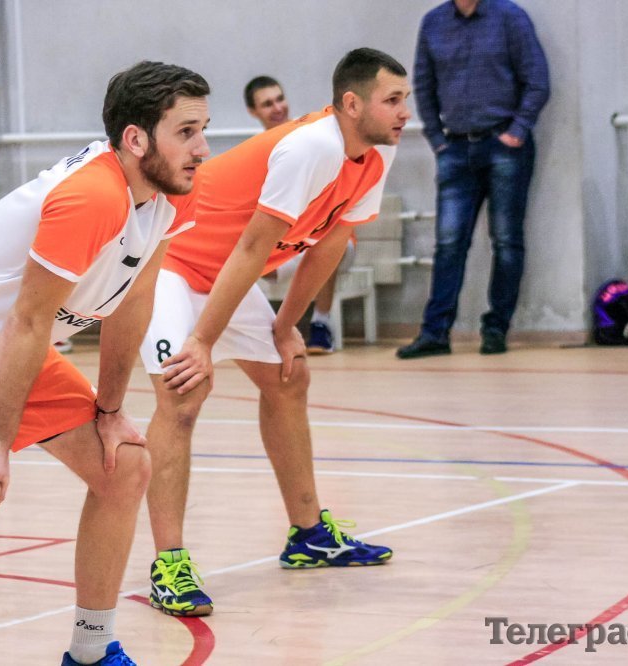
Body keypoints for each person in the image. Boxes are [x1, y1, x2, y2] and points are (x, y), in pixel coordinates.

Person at [0, 61, 210, 666]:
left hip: (9, 348)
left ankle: (90, 652)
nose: (202, 149)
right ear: (136, 139)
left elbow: (134, 303)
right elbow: (28, 322)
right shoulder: (92, 196)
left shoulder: (168, 199)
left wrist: (110, 411)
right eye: (186, 133)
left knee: (125, 466)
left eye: (202, 130)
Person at [139, 48, 408, 618]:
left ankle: (308, 535)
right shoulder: (311, 147)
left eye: (404, 100)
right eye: (392, 100)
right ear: (353, 104)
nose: (404, 112)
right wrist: (201, 341)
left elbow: (330, 244)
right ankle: (169, 565)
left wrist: (287, 327)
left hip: (225, 275)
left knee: (289, 376)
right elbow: (253, 247)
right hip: (169, 264)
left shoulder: (376, 155)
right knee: (183, 393)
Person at [397, 0, 550, 359]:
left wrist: (517, 131)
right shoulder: (433, 23)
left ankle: (496, 329)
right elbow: (423, 85)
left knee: (506, 240)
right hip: (455, 149)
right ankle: (435, 333)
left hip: (504, 146)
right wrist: (437, 140)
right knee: (449, 243)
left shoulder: (510, 17)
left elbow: (537, 81)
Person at [244, 75, 356, 354]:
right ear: (253, 111)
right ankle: (253, 332)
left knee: (323, 241)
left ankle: (321, 324)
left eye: (280, 99)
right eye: (267, 104)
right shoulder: (256, 151)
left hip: (329, 235)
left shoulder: (312, 136)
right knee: (244, 251)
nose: (277, 108)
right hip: (285, 241)